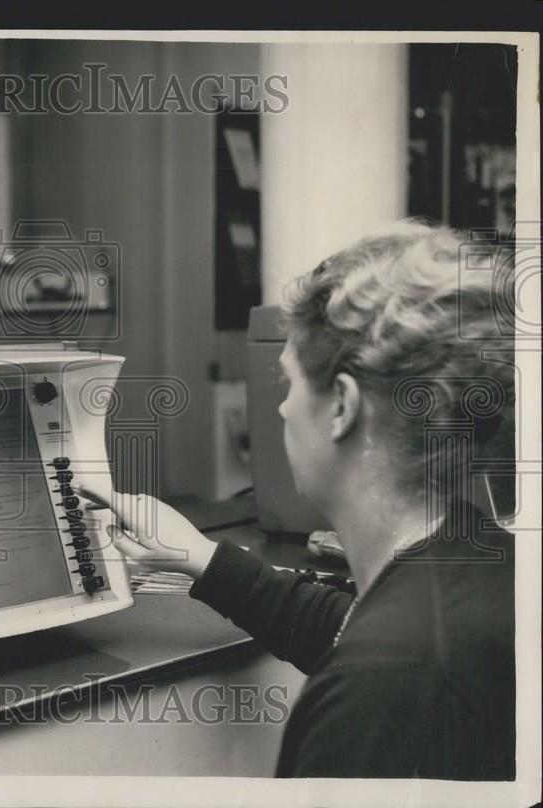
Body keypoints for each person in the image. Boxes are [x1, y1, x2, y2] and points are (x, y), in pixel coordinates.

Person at [85, 221, 516, 779]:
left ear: (342, 406)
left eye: (288, 383)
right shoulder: (479, 559)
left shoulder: (378, 691)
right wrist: (199, 557)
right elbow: (354, 628)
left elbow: (376, 655)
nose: (283, 409)